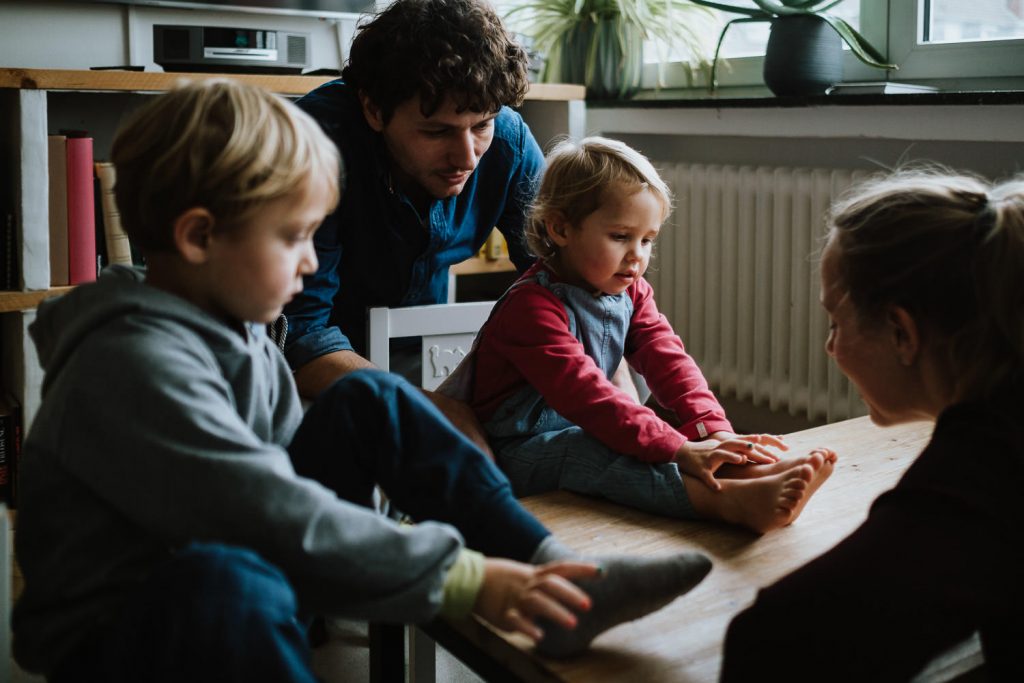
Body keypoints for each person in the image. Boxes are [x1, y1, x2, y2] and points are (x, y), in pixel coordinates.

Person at [10, 81, 715, 682]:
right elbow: (266, 511)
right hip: (126, 630)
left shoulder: (233, 321)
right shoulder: (132, 364)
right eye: (293, 237)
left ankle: (556, 577)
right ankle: (517, 586)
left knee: (371, 396)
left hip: (245, 560)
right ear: (199, 238)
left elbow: (288, 468)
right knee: (226, 581)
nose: (313, 265)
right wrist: (467, 582)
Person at [721, 169, 1024, 681]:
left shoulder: (985, 466)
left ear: (901, 333)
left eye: (836, 323)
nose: (830, 347)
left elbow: (775, 641)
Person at [456, 137, 836, 534]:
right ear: (561, 228)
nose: (637, 254)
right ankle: (726, 503)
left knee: (643, 434)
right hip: (512, 452)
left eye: (647, 239)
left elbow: (669, 360)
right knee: (606, 448)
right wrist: (680, 449)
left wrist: (715, 433)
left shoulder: (631, 292)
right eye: (620, 236)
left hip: (582, 427)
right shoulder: (530, 309)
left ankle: (747, 471)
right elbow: (589, 397)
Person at [281, 0, 548, 448]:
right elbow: (301, 337)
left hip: (423, 348)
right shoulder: (316, 141)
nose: (467, 158)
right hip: (317, 370)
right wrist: (431, 408)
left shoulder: (509, 140)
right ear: (373, 109)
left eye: (480, 125)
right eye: (436, 132)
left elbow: (566, 280)